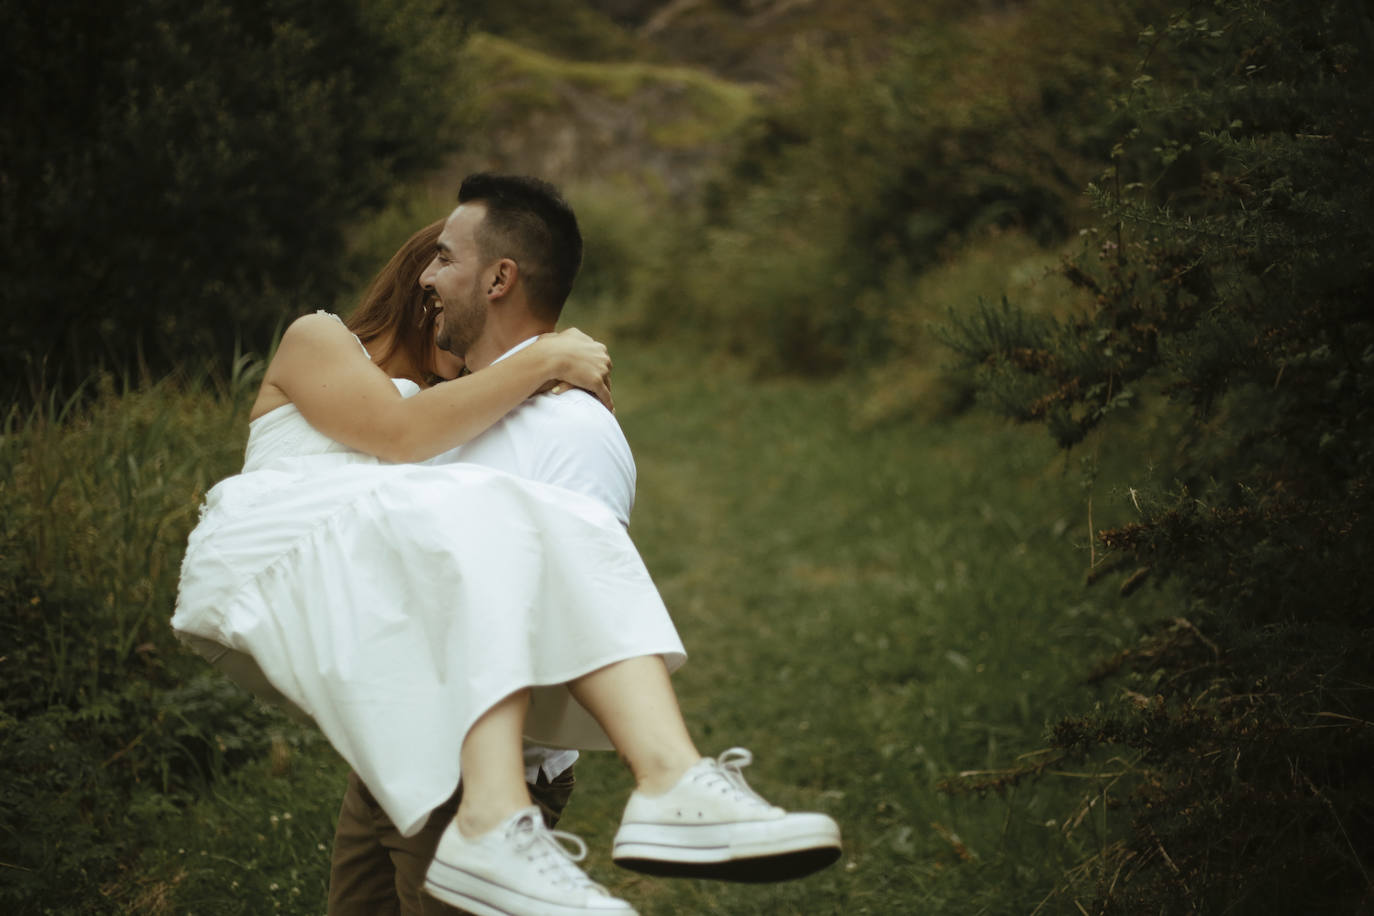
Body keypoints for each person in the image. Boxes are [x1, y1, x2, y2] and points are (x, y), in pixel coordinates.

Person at [173, 173, 841, 916]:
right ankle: (634, 783)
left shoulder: (496, 420)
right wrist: (547, 357)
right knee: (495, 516)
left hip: (401, 702)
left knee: (521, 527)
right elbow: (397, 439)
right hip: (276, 549)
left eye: (446, 260)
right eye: (432, 264)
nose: (433, 276)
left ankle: (658, 780)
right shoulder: (326, 344)